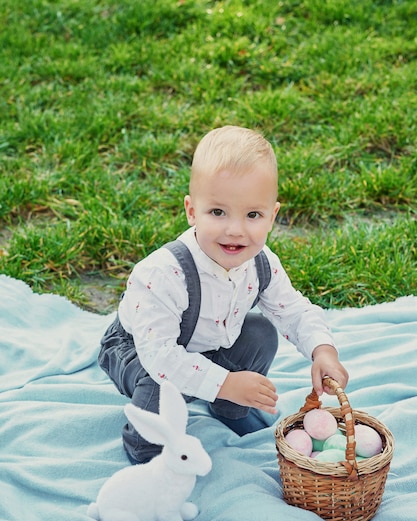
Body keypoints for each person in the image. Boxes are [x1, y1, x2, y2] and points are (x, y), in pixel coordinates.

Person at [98, 125, 349, 464]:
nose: (235, 229)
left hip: (204, 345)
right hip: (140, 351)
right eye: (218, 212)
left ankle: (230, 409)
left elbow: (293, 310)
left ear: (272, 216)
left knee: (261, 332)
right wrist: (226, 381)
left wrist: (323, 350)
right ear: (191, 210)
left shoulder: (261, 263)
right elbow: (160, 358)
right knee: (161, 384)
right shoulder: (162, 274)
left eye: (253, 215)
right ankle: (145, 445)